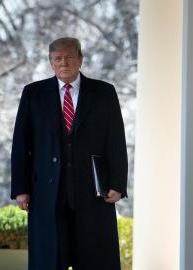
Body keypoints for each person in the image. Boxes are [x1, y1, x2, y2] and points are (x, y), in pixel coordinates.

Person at [11, 37, 128, 270]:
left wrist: (117, 183)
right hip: (46, 193)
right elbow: (21, 144)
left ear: (80, 60)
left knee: (95, 259)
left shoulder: (104, 92)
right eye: (58, 59)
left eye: (69, 57)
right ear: (51, 62)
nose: (64, 63)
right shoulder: (33, 93)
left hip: (93, 194)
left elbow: (116, 140)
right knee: (49, 260)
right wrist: (20, 189)